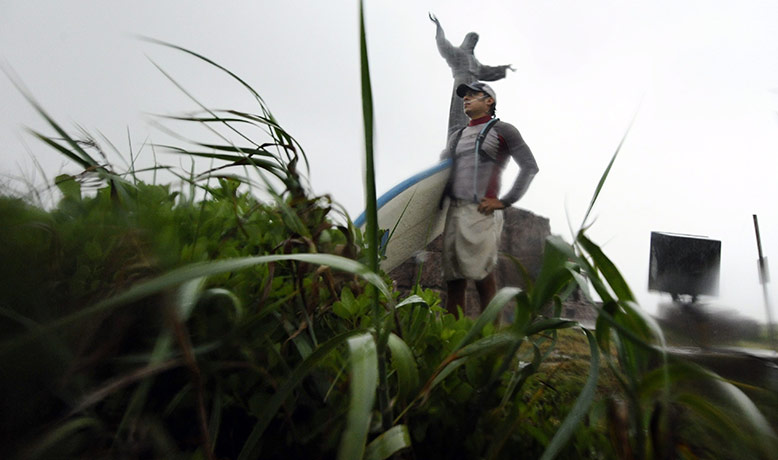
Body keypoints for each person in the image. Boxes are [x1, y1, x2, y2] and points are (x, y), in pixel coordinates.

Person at [440, 81, 538, 316]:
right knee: (454, 280)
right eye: (465, 96)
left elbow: (529, 167)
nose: (466, 98)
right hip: (455, 211)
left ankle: (489, 339)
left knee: (483, 276)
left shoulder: (504, 130)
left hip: (481, 212)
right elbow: (443, 171)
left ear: (489, 101)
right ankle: (452, 340)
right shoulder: (457, 136)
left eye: (474, 95)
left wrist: (504, 201)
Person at [429, 13, 515, 137]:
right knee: (460, 108)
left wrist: (504, 69)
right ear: (467, 40)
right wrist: (438, 27)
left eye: (475, 40)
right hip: (462, 82)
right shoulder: (457, 53)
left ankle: (471, 135)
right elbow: (443, 45)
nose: (473, 42)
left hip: (474, 84)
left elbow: (487, 71)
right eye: (472, 39)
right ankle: (456, 136)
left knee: (476, 108)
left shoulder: (475, 62)